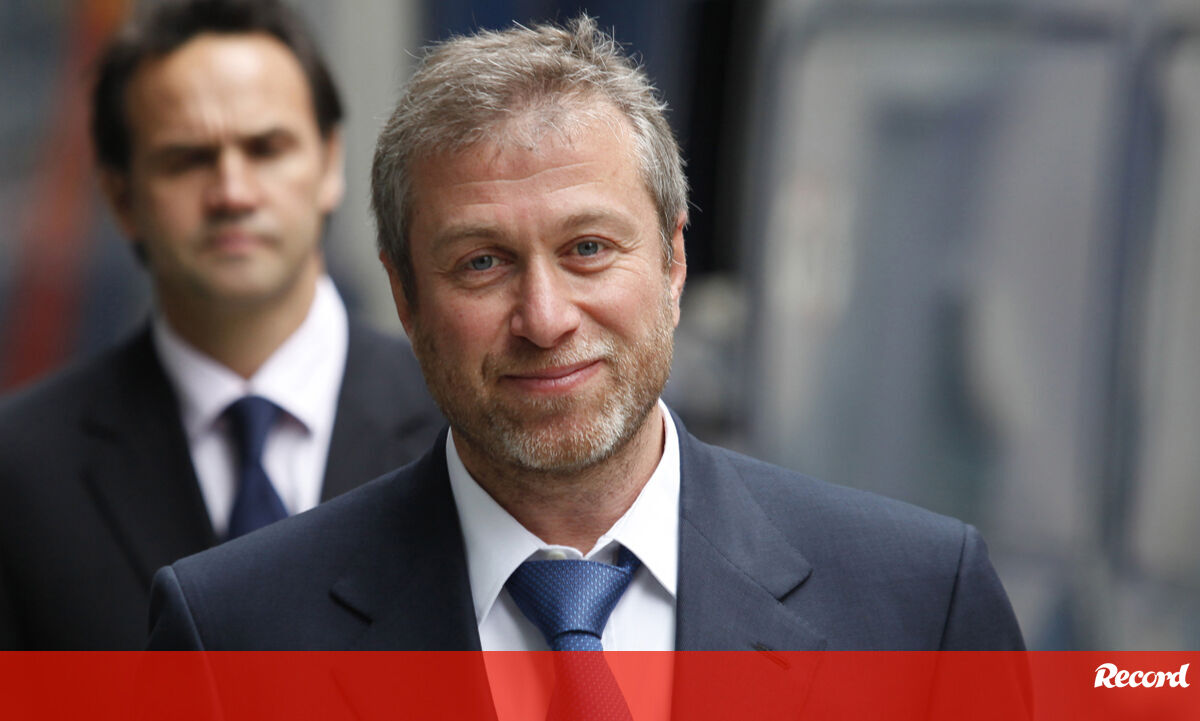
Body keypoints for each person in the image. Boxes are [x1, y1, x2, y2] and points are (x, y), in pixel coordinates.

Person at [147, 16, 1024, 657]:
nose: (545, 317)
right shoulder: (233, 633)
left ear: (674, 261)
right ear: (405, 298)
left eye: (589, 249)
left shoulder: (921, 605)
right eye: (482, 262)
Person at [0, 0, 442, 649]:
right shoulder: (20, 472)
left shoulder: (458, 420)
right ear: (121, 196)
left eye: (266, 148)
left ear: (330, 163)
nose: (233, 192)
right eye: (186, 159)